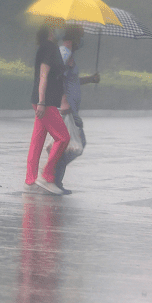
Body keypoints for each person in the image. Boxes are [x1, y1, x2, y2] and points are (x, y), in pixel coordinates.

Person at [48, 25, 99, 194]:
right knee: (73, 145)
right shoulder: (64, 53)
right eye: (80, 38)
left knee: (70, 145)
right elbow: (56, 77)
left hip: (72, 109)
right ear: (73, 39)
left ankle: (55, 179)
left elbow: (72, 80)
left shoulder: (69, 55)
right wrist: (63, 99)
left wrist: (90, 79)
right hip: (66, 107)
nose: (81, 42)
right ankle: (52, 177)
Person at [24, 20, 70, 195]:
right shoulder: (49, 48)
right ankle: (47, 175)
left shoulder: (49, 48)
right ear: (51, 30)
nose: (61, 30)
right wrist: (42, 102)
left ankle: (29, 181)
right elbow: (43, 76)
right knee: (63, 138)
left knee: (37, 141)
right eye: (58, 27)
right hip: (46, 102)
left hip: (44, 101)